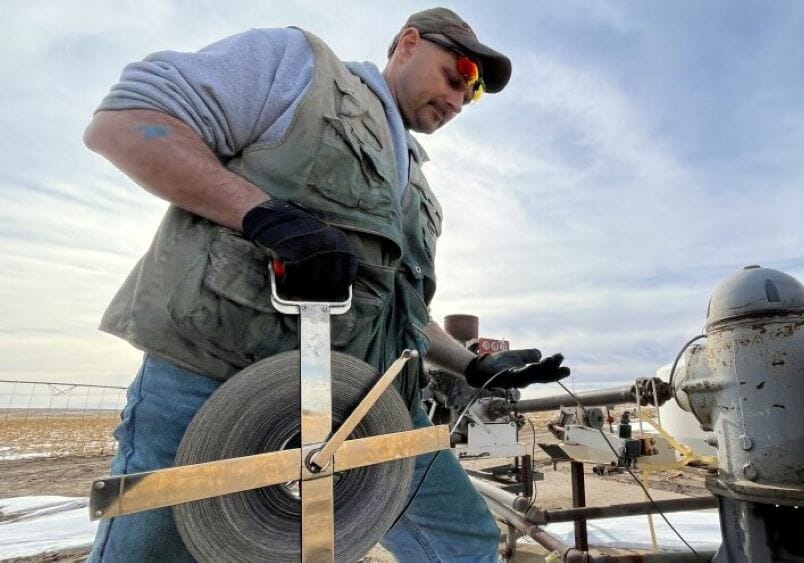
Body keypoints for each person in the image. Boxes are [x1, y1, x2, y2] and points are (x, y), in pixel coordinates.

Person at [83, 7, 570, 562]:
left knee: (463, 539)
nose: (459, 101)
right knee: (155, 553)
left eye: (472, 95)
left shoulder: (417, 187)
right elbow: (124, 121)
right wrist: (263, 215)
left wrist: (473, 366)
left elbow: (398, 311)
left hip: (372, 404)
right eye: (456, 75)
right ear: (408, 44)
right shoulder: (301, 71)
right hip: (221, 379)